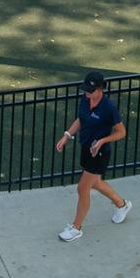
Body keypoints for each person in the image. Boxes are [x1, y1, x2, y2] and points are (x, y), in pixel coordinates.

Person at [54, 71, 131, 241]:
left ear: (100, 89)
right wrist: (67, 135)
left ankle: (76, 228)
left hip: (99, 153)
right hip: (86, 148)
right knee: (95, 183)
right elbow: (81, 119)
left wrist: (102, 141)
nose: (87, 93)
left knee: (83, 188)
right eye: (85, 89)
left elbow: (121, 132)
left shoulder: (109, 107)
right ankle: (122, 204)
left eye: (90, 90)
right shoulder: (85, 99)